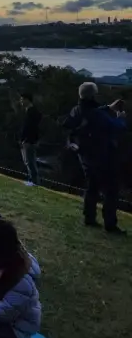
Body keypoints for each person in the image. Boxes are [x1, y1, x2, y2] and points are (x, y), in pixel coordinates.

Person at [62, 82, 127, 234]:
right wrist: (121, 117)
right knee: (111, 190)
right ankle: (110, 224)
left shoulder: (77, 109)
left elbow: (90, 113)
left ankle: (89, 218)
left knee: (92, 187)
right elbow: (116, 126)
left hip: (85, 156)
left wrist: (108, 107)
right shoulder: (96, 114)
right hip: (102, 157)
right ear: (92, 95)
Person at [19, 93, 42, 187]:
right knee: (28, 161)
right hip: (28, 140)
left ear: (27, 100)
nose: (21, 101)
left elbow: (30, 127)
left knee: (30, 161)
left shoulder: (32, 112)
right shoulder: (29, 111)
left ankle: (34, 181)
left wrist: (24, 139)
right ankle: (31, 180)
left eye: (22, 99)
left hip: (29, 140)